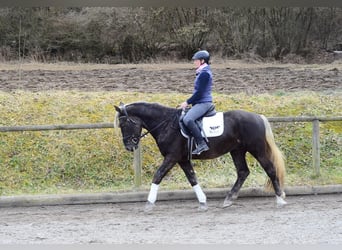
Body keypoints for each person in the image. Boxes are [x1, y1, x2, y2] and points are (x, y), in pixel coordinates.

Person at [180, 50, 213, 155]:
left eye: (196, 60)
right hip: (200, 102)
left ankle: (201, 144)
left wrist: (187, 102)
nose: (194, 62)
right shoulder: (201, 72)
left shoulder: (205, 74)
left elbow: (199, 93)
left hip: (204, 103)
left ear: (202, 61)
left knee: (188, 119)